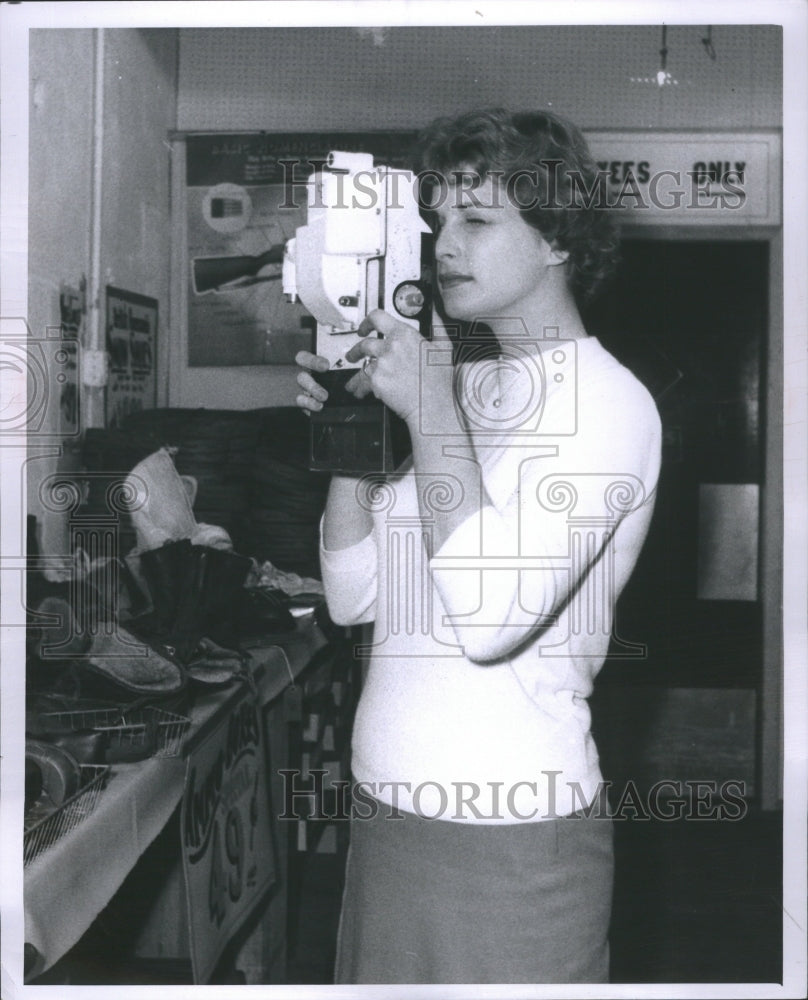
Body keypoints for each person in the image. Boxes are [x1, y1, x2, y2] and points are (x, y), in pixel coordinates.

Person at [295, 107, 662, 985]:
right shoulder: (461, 384)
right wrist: (354, 427)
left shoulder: (610, 404)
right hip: (387, 818)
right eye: (440, 218)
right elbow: (353, 595)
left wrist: (425, 412)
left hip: (511, 845)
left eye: (478, 220)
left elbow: (491, 615)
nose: (444, 243)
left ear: (557, 241)